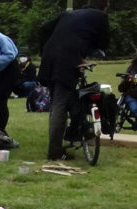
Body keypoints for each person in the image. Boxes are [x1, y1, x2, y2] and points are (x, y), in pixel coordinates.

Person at [38, 0, 110, 161]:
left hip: (50, 59)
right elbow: (104, 43)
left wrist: (44, 51)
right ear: (105, 6)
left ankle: (61, 141)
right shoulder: (101, 16)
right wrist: (86, 52)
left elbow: (43, 29)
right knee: (60, 105)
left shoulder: (69, 14)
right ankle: (55, 152)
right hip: (67, 60)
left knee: (57, 100)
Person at [119, 44, 137, 130]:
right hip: (133, 93)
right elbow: (121, 88)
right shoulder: (132, 67)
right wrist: (127, 81)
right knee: (133, 103)